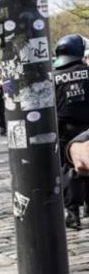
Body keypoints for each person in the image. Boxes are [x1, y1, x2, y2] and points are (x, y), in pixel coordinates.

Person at [54, 34, 89, 229]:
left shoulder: (53, 77)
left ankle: (72, 213)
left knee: (69, 169)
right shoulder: (87, 71)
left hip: (64, 130)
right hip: (87, 127)